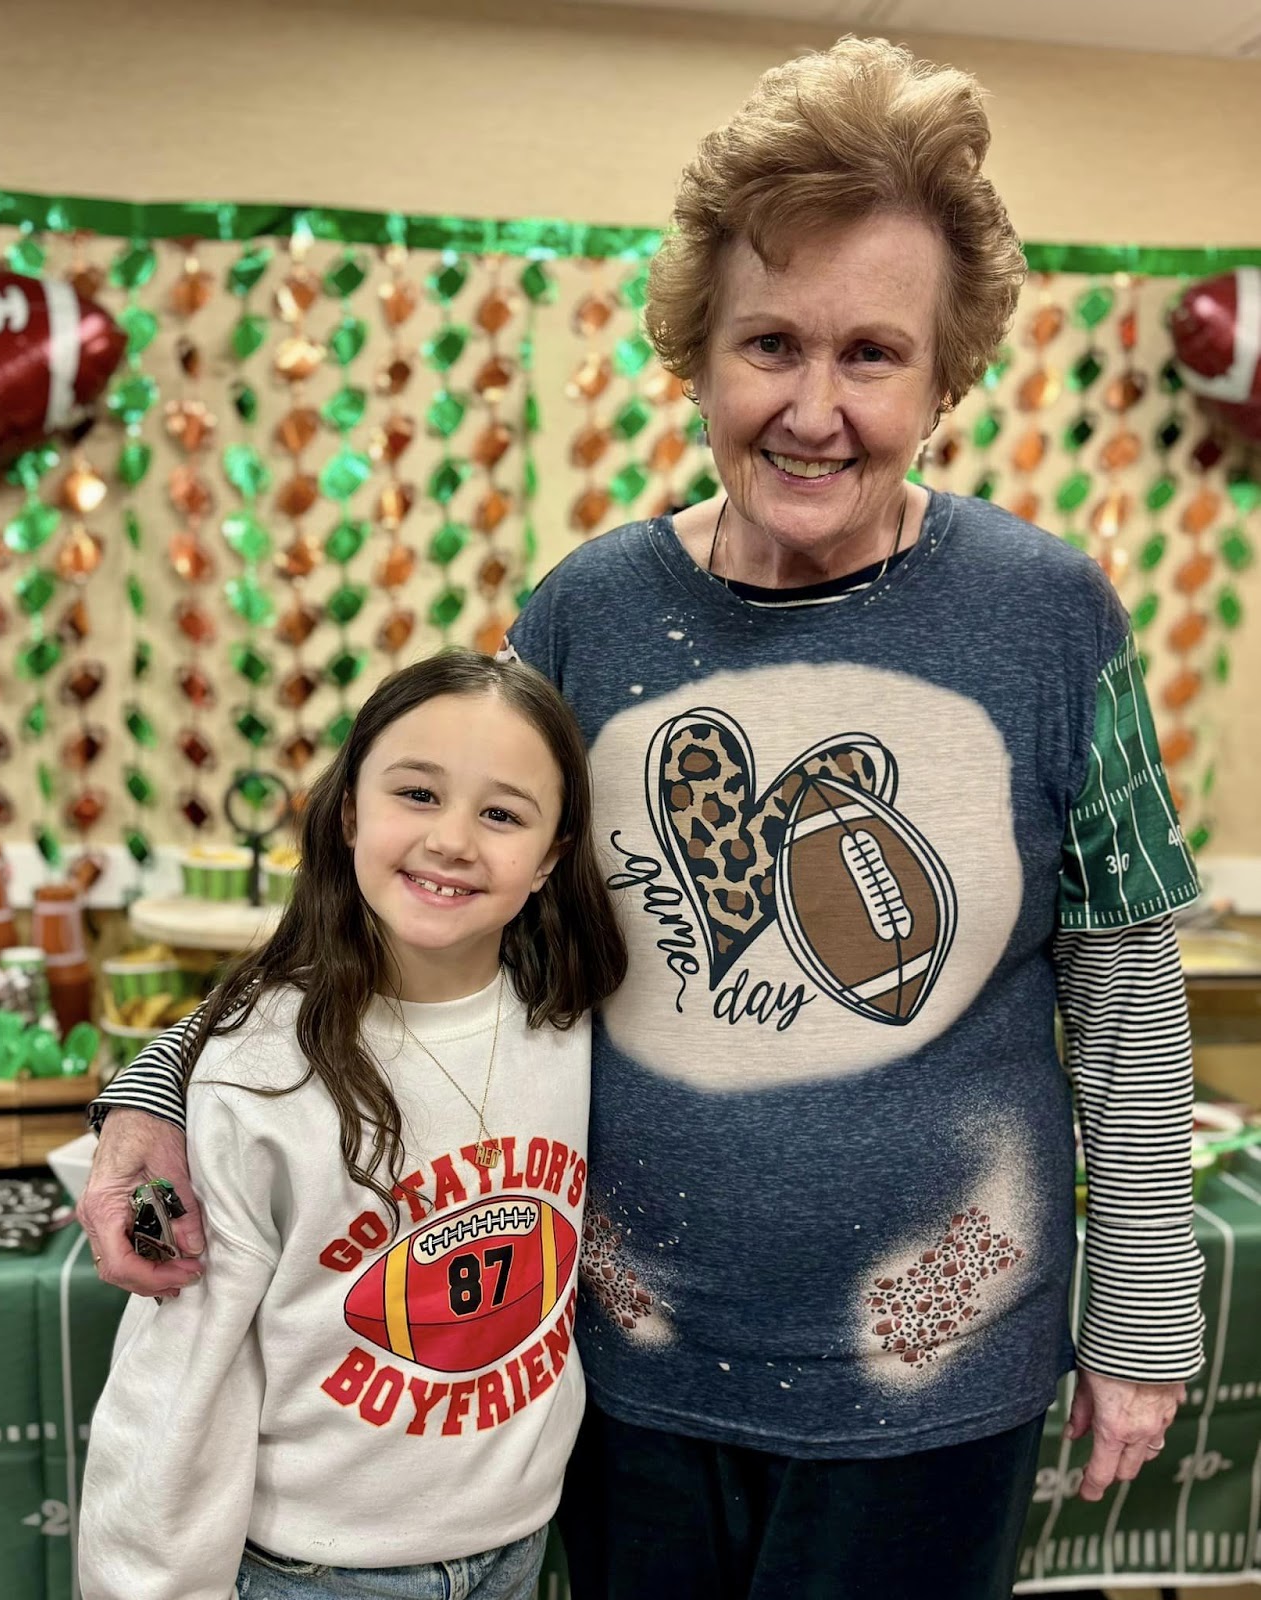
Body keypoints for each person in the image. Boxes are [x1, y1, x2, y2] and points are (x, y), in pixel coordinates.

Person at [81, 36, 1205, 1600]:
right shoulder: (589, 613)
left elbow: (1126, 971)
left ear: (946, 377)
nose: (812, 410)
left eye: (872, 354)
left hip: (939, 1388)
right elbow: (415, 894)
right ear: (695, 354)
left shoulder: (1050, 615)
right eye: (769, 346)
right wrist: (161, 1074)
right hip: (610, 1374)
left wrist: (1143, 1310)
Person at [78, 652, 627, 1600]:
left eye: (501, 814)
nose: (452, 839)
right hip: (318, 1573)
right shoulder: (259, 1077)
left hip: (522, 1543)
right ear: (348, 812)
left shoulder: (575, 1022)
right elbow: (179, 1387)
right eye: (417, 793)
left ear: (548, 858)